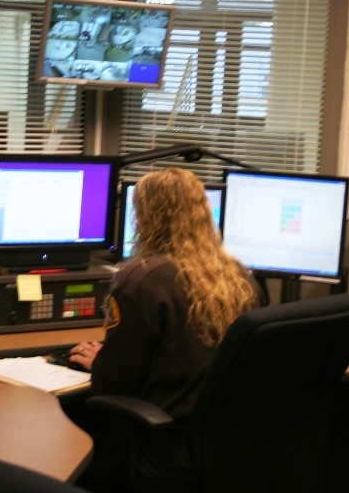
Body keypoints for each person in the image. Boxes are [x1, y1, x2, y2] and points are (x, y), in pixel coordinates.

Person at [67, 167, 264, 493]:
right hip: (222, 448)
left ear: (145, 217)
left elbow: (112, 383)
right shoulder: (241, 277)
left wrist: (98, 361)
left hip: (156, 447)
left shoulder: (141, 279)